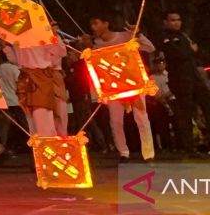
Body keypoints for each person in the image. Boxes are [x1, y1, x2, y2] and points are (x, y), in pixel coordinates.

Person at [90, 14, 156, 162]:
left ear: (106, 23)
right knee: (116, 121)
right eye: (92, 25)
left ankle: (148, 153)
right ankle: (123, 153)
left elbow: (150, 48)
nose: (93, 28)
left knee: (142, 118)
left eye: (96, 23)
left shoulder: (125, 36)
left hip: (133, 84)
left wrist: (138, 34)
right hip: (114, 88)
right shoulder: (96, 45)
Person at [159, 10, 210, 156]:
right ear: (166, 22)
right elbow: (178, 54)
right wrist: (190, 50)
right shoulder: (166, 38)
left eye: (178, 20)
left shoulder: (183, 35)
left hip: (194, 77)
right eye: (172, 20)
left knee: (206, 106)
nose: (176, 23)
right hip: (180, 80)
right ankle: (189, 148)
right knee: (185, 114)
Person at [4, 37, 69, 137]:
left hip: (46, 76)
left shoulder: (39, 32)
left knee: (55, 116)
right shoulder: (17, 34)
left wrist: (52, 35)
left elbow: (61, 52)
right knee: (37, 121)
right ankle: (46, 148)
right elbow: (16, 60)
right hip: (32, 77)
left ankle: (53, 147)